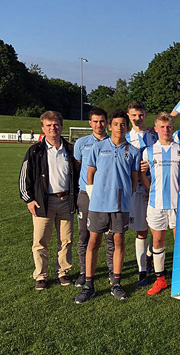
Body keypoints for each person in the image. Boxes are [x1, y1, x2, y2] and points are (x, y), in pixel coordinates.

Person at [75, 110, 141, 304]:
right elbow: (90, 173)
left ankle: (116, 284)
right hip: (98, 204)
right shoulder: (98, 147)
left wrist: (126, 197)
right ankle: (89, 285)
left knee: (119, 242)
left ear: (127, 128)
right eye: (116, 124)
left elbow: (135, 179)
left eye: (123, 124)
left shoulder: (134, 151)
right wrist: (93, 195)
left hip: (120, 204)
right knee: (93, 242)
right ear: (110, 126)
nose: (119, 127)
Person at [19, 111, 79, 290]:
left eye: (56, 125)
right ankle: (41, 275)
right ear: (43, 128)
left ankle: (63, 272)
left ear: (61, 126)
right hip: (43, 202)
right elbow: (24, 178)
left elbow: (78, 175)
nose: (53, 128)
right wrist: (29, 199)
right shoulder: (35, 151)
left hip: (66, 200)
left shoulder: (70, 149)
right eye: (49, 125)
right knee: (40, 241)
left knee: (66, 240)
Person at [140, 112, 180, 296]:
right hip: (156, 204)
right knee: (157, 241)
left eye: (169, 127)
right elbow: (142, 175)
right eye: (162, 127)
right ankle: (160, 279)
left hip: (178, 203)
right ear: (155, 129)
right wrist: (150, 189)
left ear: (173, 128)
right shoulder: (148, 151)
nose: (165, 130)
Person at [73, 108, 115, 287]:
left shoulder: (114, 142)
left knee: (110, 236)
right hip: (86, 195)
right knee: (84, 235)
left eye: (102, 121)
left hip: (108, 197)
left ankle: (113, 271)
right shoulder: (82, 143)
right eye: (95, 121)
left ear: (107, 123)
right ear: (90, 123)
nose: (99, 125)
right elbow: (77, 168)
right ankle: (84, 272)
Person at [126, 101, 157, 286]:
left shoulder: (154, 135)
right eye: (134, 115)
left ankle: (151, 256)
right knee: (141, 230)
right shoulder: (126, 138)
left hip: (156, 188)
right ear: (129, 116)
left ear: (145, 115)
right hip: (137, 189)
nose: (137, 118)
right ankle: (142, 270)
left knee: (157, 228)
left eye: (140, 115)